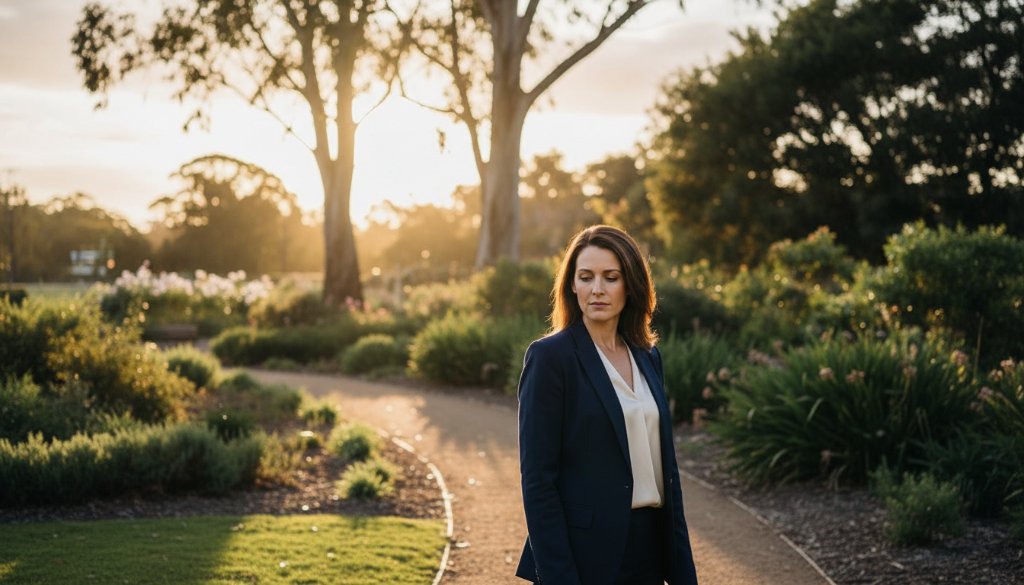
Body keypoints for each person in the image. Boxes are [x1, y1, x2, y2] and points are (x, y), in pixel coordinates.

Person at [515, 225, 699, 585]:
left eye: (610, 277)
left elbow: (667, 474)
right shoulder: (551, 358)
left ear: (630, 284)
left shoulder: (648, 356)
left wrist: (683, 572)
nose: (597, 289)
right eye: (586, 277)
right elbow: (538, 481)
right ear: (572, 285)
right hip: (584, 556)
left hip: (650, 550)